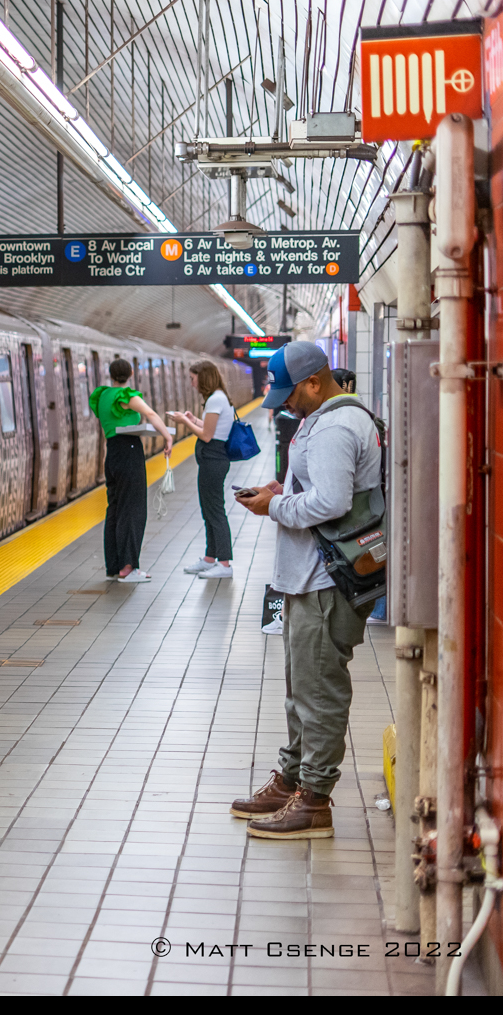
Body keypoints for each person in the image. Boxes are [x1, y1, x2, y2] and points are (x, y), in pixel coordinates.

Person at [231, 341, 381, 840]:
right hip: (307, 577)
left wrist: (272, 508)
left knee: (318, 690)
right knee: (301, 686)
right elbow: (317, 490)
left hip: (326, 580)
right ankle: (292, 777)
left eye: (289, 394)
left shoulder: (337, 425)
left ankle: (314, 798)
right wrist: (280, 492)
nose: (284, 404)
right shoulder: (324, 419)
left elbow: (333, 501)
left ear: (314, 382)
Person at [88, 358, 174, 583]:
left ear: (111, 374)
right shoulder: (126, 396)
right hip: (129, 452)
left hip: (112, 454)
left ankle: (114, 567)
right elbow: (152, 415)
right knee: (133, 508)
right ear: (131, 374)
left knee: (115, 509)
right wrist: (167, 436)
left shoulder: (102, 396)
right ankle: (129, 567)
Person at [167, 361, 235, 580]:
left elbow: (206, 436)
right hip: (212, 459)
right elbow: (210, 428)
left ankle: (224, 564)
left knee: (215, 510)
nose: (191, 383)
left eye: (192, 378)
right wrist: (192, 419)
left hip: (213, 458)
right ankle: (210, 558)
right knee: (208, 509)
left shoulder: (215, 399)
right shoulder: (218, 398)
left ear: (203, 378)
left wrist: (184, 423)